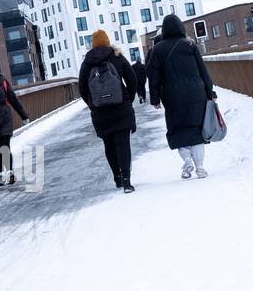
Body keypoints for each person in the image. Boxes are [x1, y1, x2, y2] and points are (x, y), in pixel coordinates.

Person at [146, 14, 216, 180]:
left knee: (179, 130)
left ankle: (186, 161)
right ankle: (200, 167)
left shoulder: (157, 49)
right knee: (197, 130)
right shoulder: (190, 45)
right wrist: (210, 92)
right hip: (196, 93)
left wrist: (155, 99)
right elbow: (203, 71)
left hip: (172, 96)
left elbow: (153, 76)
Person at [77, 30, 138, 193]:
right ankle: (126, 181)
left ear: (93, 43)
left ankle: (117, 178)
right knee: (123, 145)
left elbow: (82, 88)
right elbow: (132, 78)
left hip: (100, 112)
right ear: (107, 41)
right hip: (120, 108)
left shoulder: (87, 62)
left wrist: (93, 104)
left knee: (109, 145)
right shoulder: (117, 56)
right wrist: (128, 99)